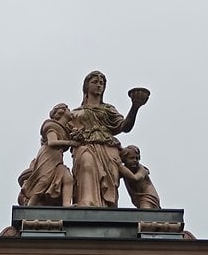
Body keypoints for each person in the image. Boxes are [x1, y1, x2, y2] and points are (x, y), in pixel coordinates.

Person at [69, 71, 149, 207]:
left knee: (111, 174)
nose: (99, 85)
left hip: (109, 148)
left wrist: (135, 107)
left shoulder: (108, 109)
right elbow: (62, 131)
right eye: (94, 82)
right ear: (86, 87)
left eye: (102, 83)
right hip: (85, 146)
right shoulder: (75, 113)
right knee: (87, 164)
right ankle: (86, 201)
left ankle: (108, 208)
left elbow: (125, 126)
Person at [19, 104, 78, 207]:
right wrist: (70, 143)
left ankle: (66, 204)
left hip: (57, 158)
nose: (70, 111)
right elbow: (52, 142)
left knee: (68, 178)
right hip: (48, 156)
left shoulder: (65, 129)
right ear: (62, 112)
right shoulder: (52, 126)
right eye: (68, 109)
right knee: (44, 181)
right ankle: (30, 206)